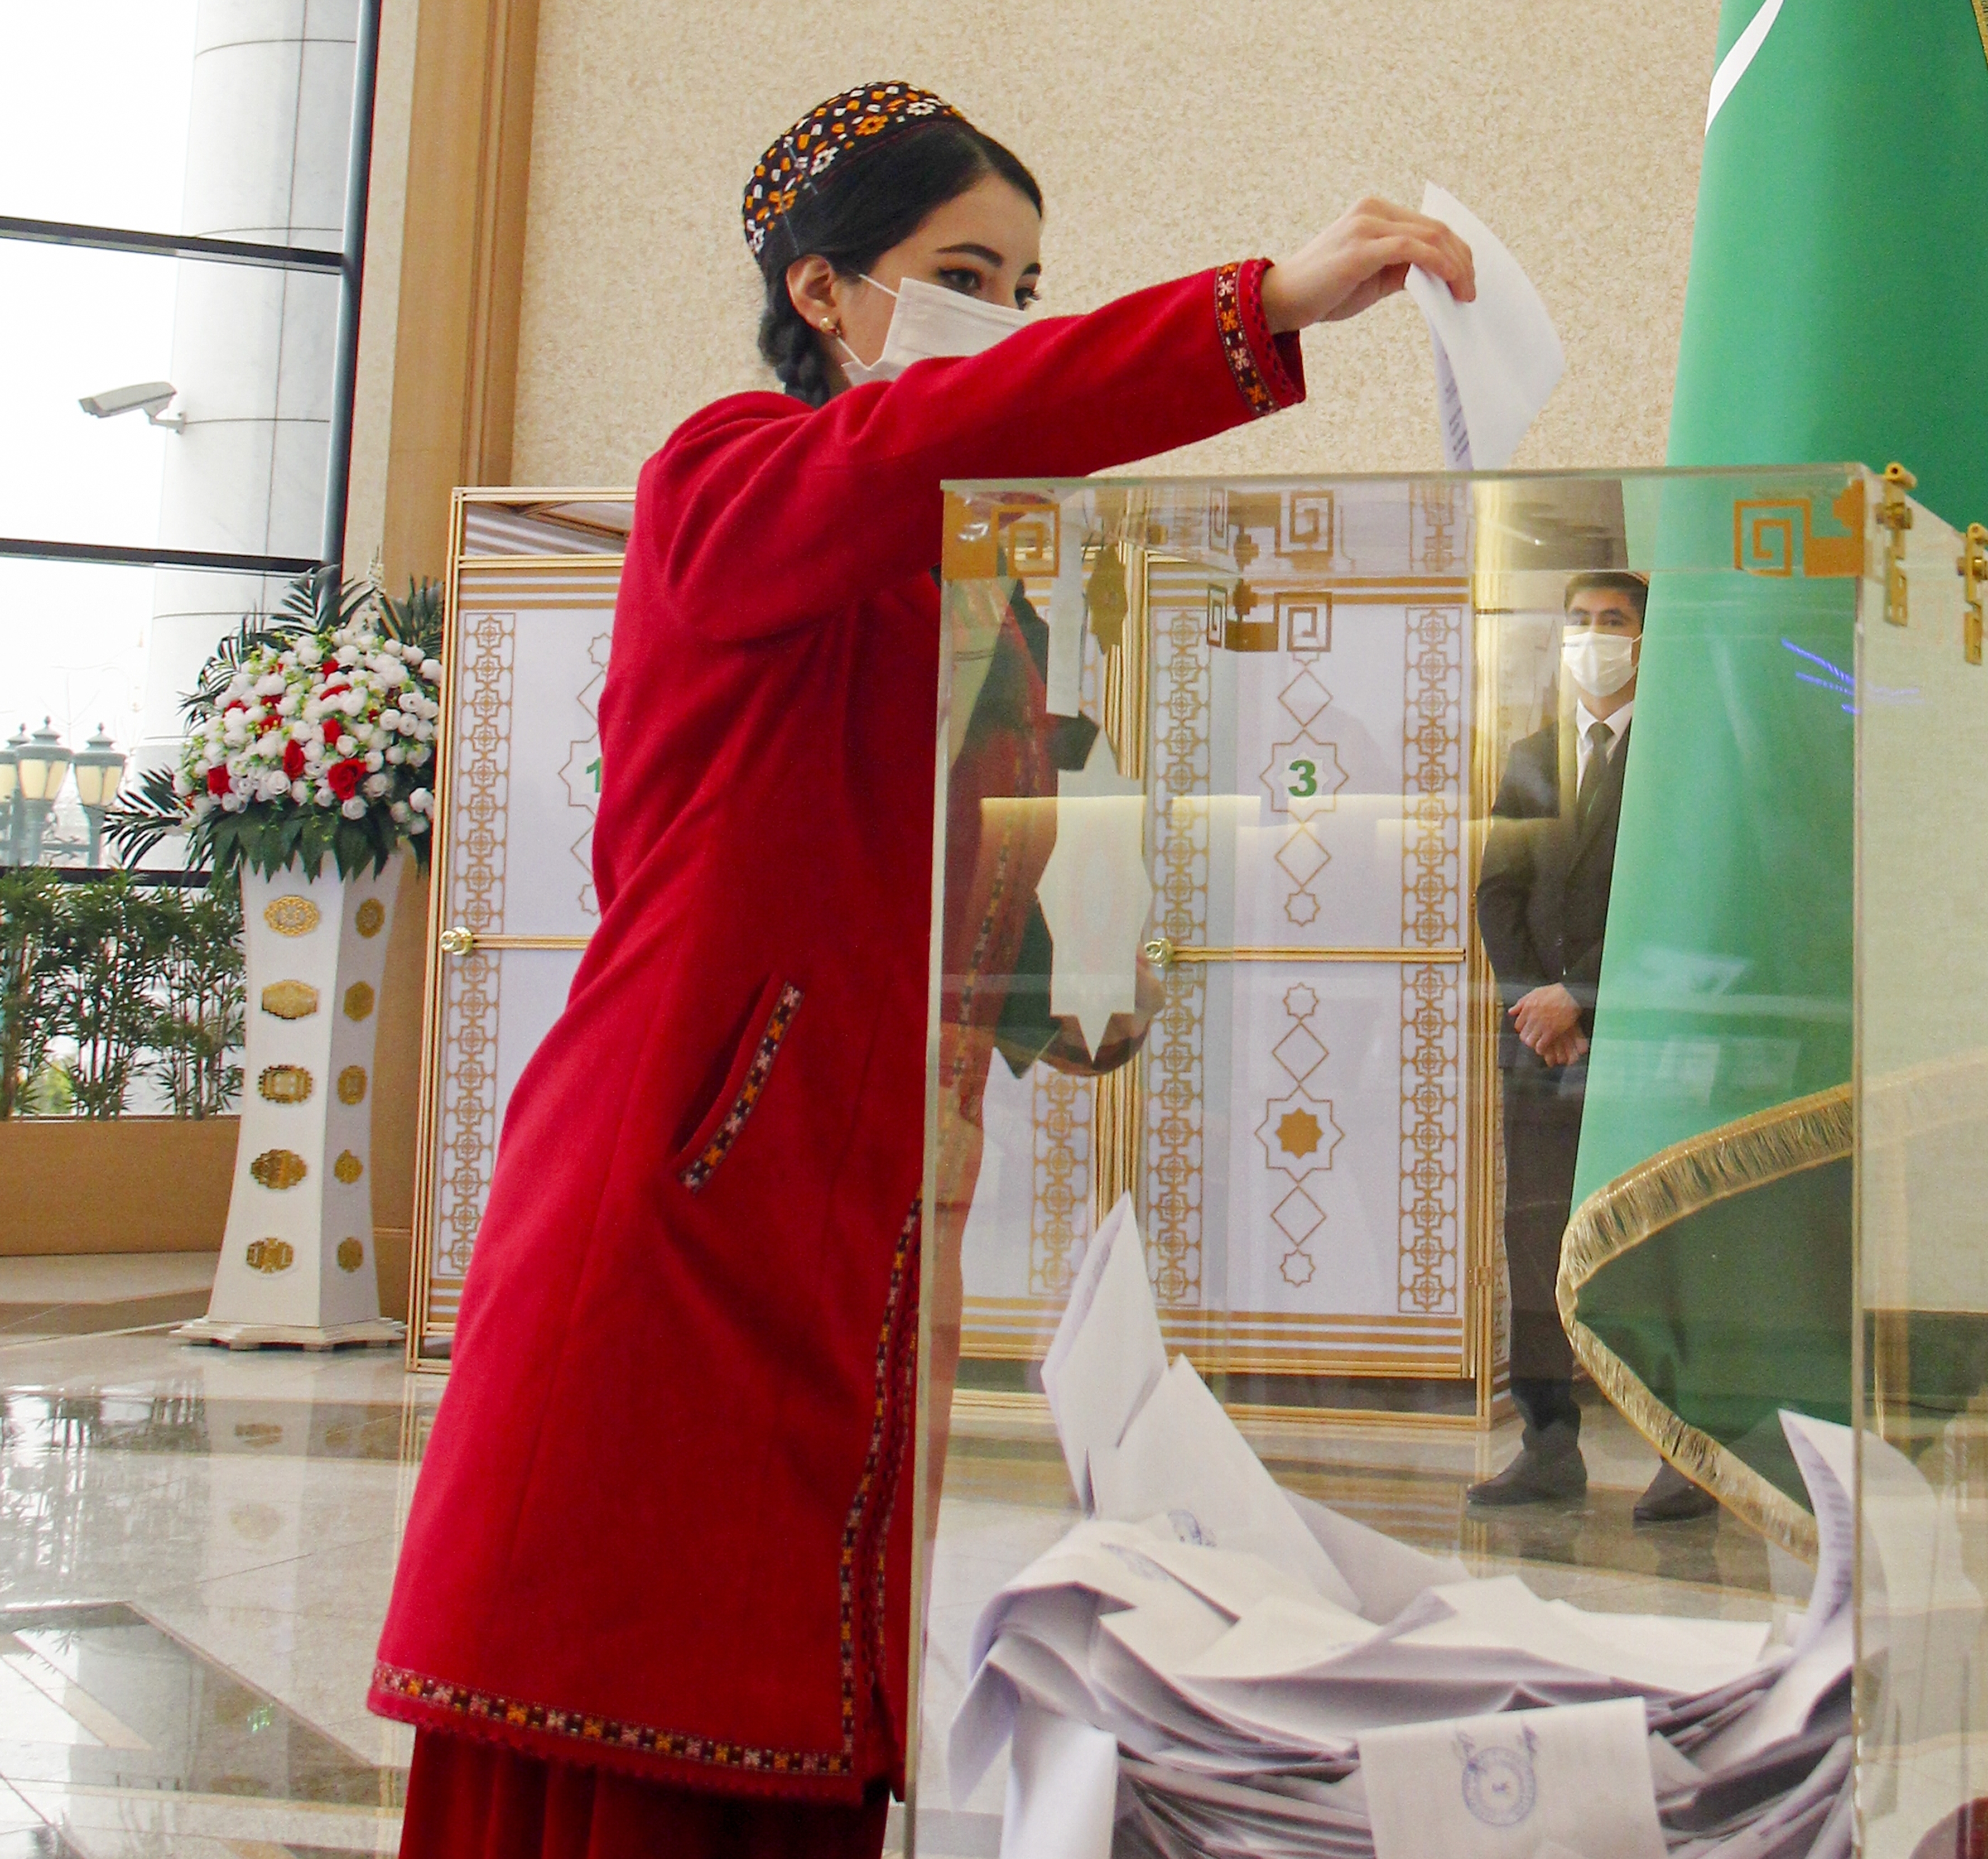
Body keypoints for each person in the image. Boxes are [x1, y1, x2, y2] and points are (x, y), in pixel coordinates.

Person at [369, 81, 1473, 1858]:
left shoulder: (972, 577)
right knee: (647, 1705)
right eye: (965, 272)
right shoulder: (728, 475)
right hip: (674, 1199)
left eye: (1030, 290)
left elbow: (1046, 942)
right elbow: (903, 454)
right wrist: (1254, 310)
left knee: (801, 1704)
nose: (1003, 320)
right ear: (822, 290)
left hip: (864, 1208)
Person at [1467, 572, 1712, 1524]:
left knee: (1653, 1238)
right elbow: (1496, 893)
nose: (1594, 637)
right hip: (1538, 1049)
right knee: (1536, 1237)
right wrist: (1535, 1001)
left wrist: (1586, 997)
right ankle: (1547, 1440)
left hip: (1641, 1041)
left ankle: (1682, 1447)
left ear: (1648, 640)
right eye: (1580, 622)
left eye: (1613, 622)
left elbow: (1680, 899)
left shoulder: (1680, 760)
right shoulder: (1531, 757)